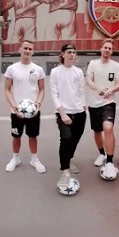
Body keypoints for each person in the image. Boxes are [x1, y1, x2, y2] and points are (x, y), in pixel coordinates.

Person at [3, 40, 46, 173]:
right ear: (20, 49)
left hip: (33, 111)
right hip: (16, 111)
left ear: (32, 52)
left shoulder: (38, 69)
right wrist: (14, 105)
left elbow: (42, 89)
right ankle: (15, 158)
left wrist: (38, 104)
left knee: (33, 136)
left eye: (30, 49)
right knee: (16, 135)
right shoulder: (12, 68)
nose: (27, 51)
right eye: (25, 48)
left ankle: (34, 159)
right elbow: (7, 89)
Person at [50, 43, 87, 189]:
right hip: (64, 113)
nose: (72, 54)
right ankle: (65, 170)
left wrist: (83, 108)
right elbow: (54, 93)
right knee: (65, 139)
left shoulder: (78, 72)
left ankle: (69, 159)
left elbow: (81, 91)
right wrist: (62, 112)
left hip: (79, 112)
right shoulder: (55, 72)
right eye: (69, 52)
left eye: (74, 52)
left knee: (75, 140)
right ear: (63, 55)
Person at [85, 38, 119, 179]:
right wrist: (98, 89)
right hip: (94, 103)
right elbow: (89, 80)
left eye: (110, 48)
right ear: (101, 49)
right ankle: (102, 153)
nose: (107, 50)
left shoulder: (115, 65)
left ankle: (110, 162)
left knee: (108, 127)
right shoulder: (93, 64)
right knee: (97, 130)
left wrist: (112, 90)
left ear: (112, 51)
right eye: (105, 47)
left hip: (108, 102)